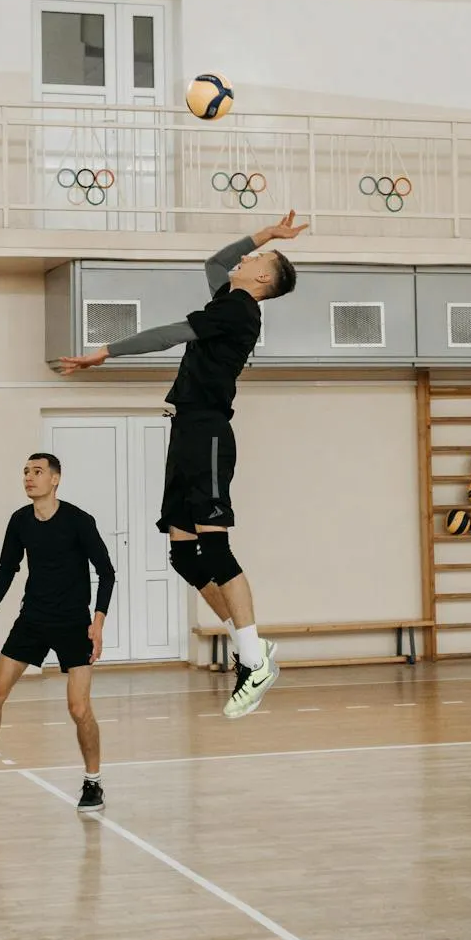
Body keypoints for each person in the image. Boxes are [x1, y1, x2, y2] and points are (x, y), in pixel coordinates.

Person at [59, 212, 304, 718]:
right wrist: (268, 234)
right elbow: (215, 260)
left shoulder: (239, 312)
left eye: (256, 258)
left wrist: (104, 353)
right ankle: (251, 650)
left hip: (208, 432)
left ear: (262, 279)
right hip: (187, 431)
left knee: (214, 547)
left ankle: (254, 659)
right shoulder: (228, 299)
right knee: (184, 556)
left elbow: (169, 334)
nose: (245, 257)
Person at [0, 453, 115, 813]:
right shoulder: (20, 521)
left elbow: (106, 572)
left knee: (79, 708)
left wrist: (97, 622)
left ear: (55, 479)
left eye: (37, 472)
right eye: (25, 472)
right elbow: (7, 568)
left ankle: (93, 782)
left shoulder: (79, 521)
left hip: (72, 624)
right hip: (32, 620)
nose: (29, 478)